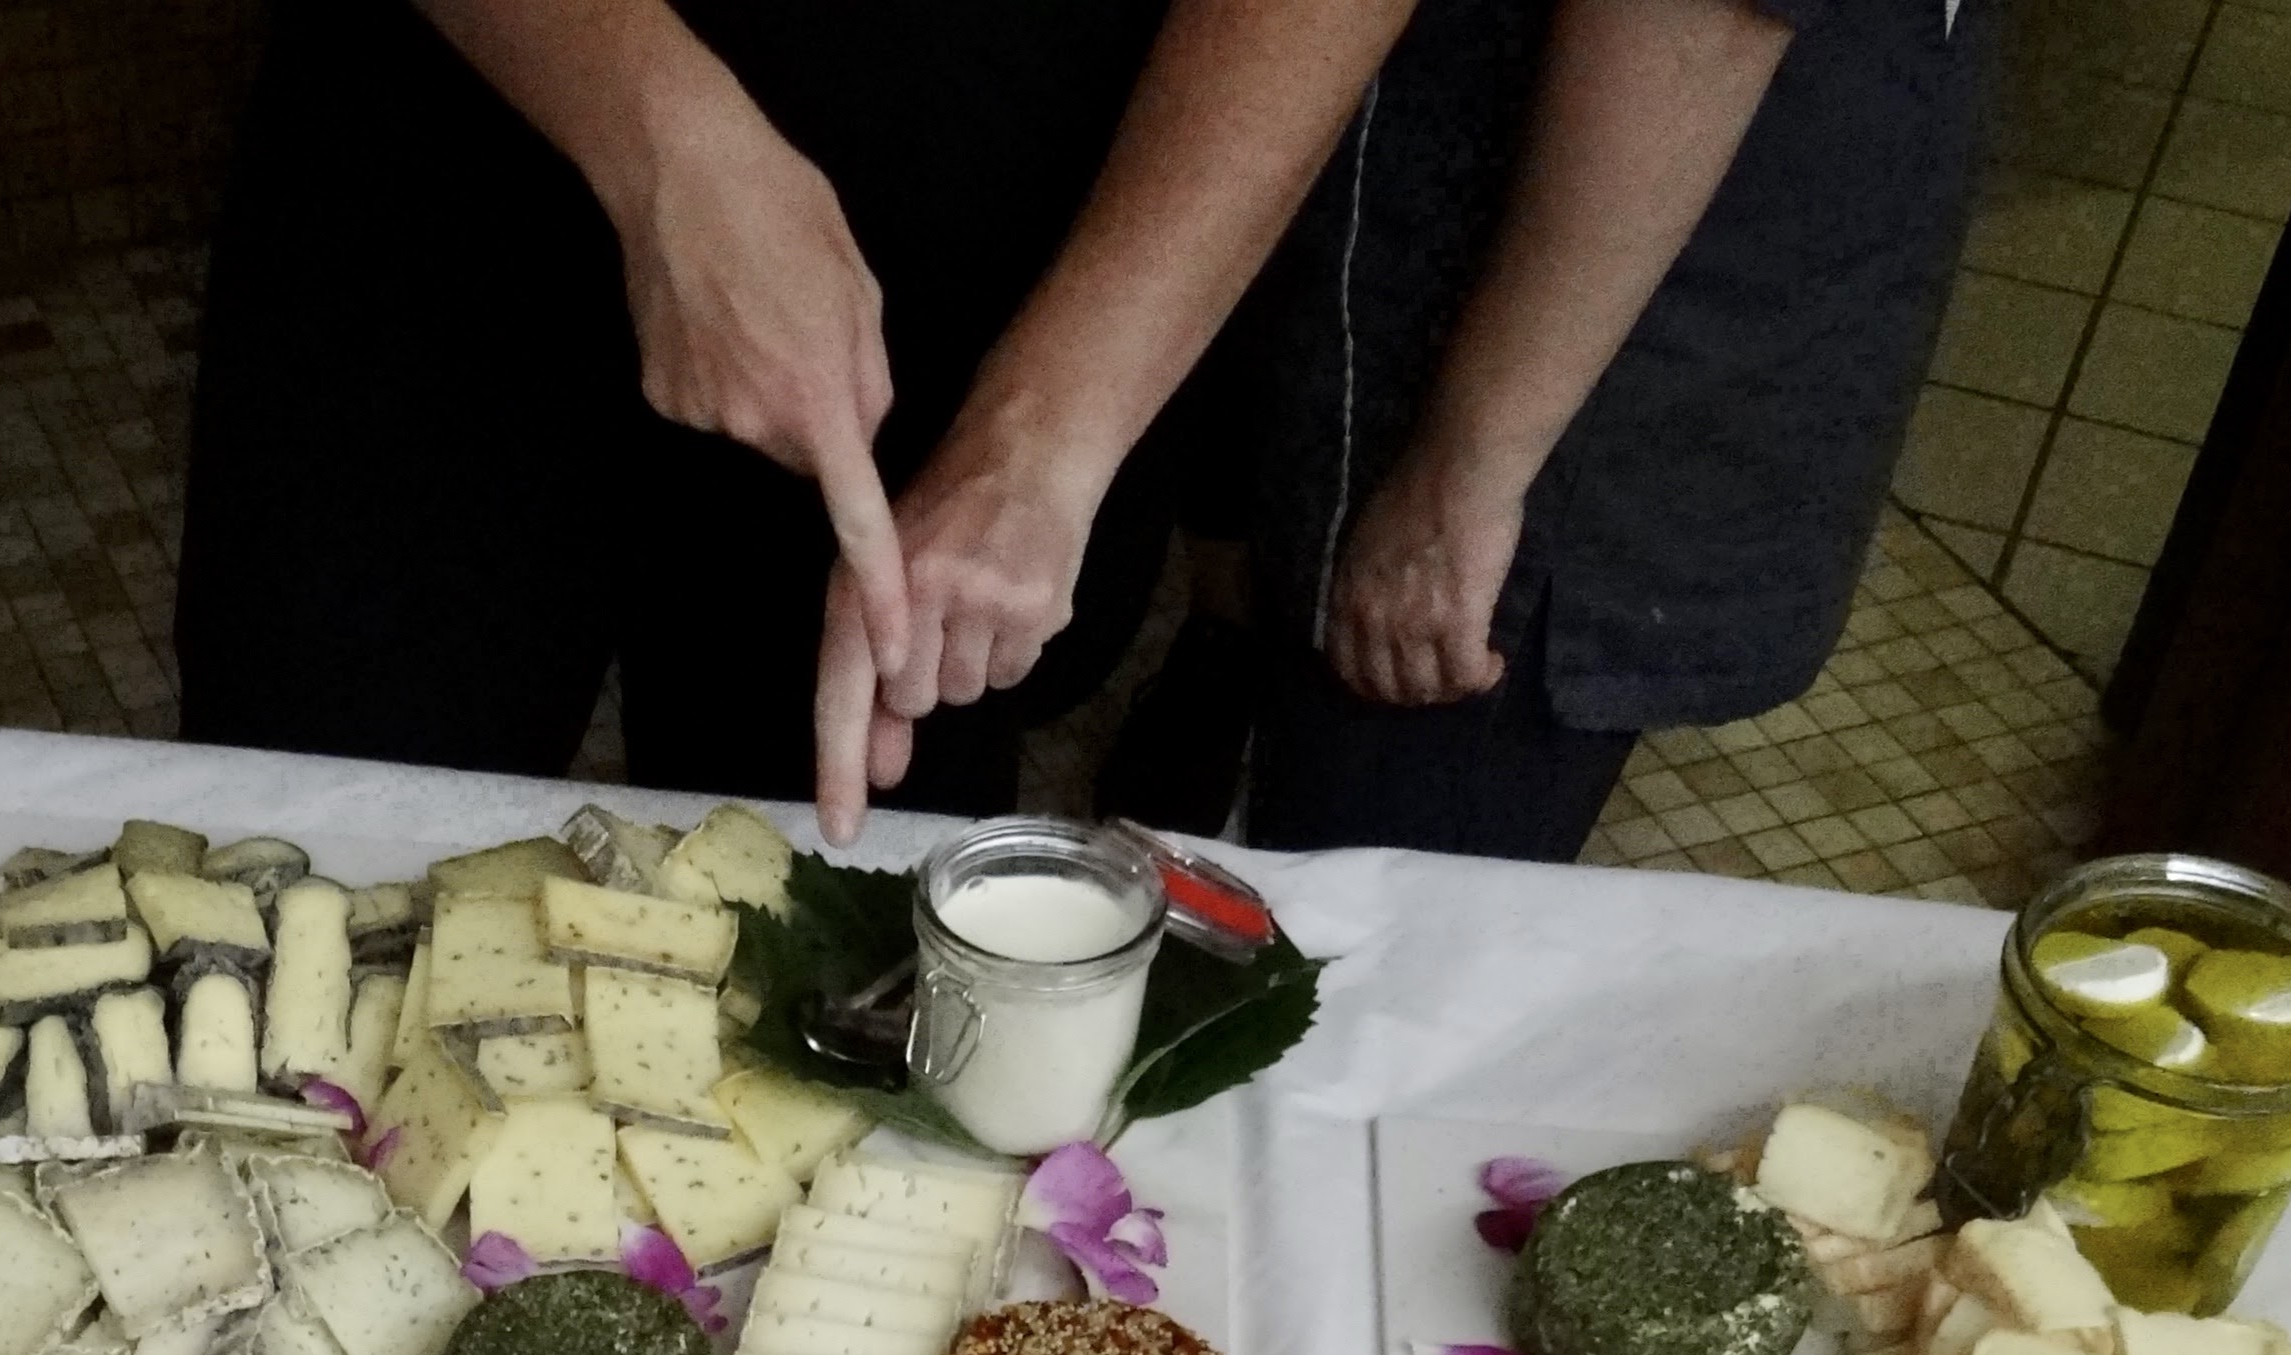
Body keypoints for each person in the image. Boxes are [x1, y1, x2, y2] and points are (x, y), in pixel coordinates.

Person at [174, 0, 1423, 839]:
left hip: (975, 251)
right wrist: (659, 137)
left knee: (836, 963)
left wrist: (1050, 424)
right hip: (450, 138)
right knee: (308, 876)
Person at [1154, 0, 1998, 858]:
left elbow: (1698, 20)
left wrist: (1464, 476)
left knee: (1373, 878)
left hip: (1573, 321)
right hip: (1524, 237)